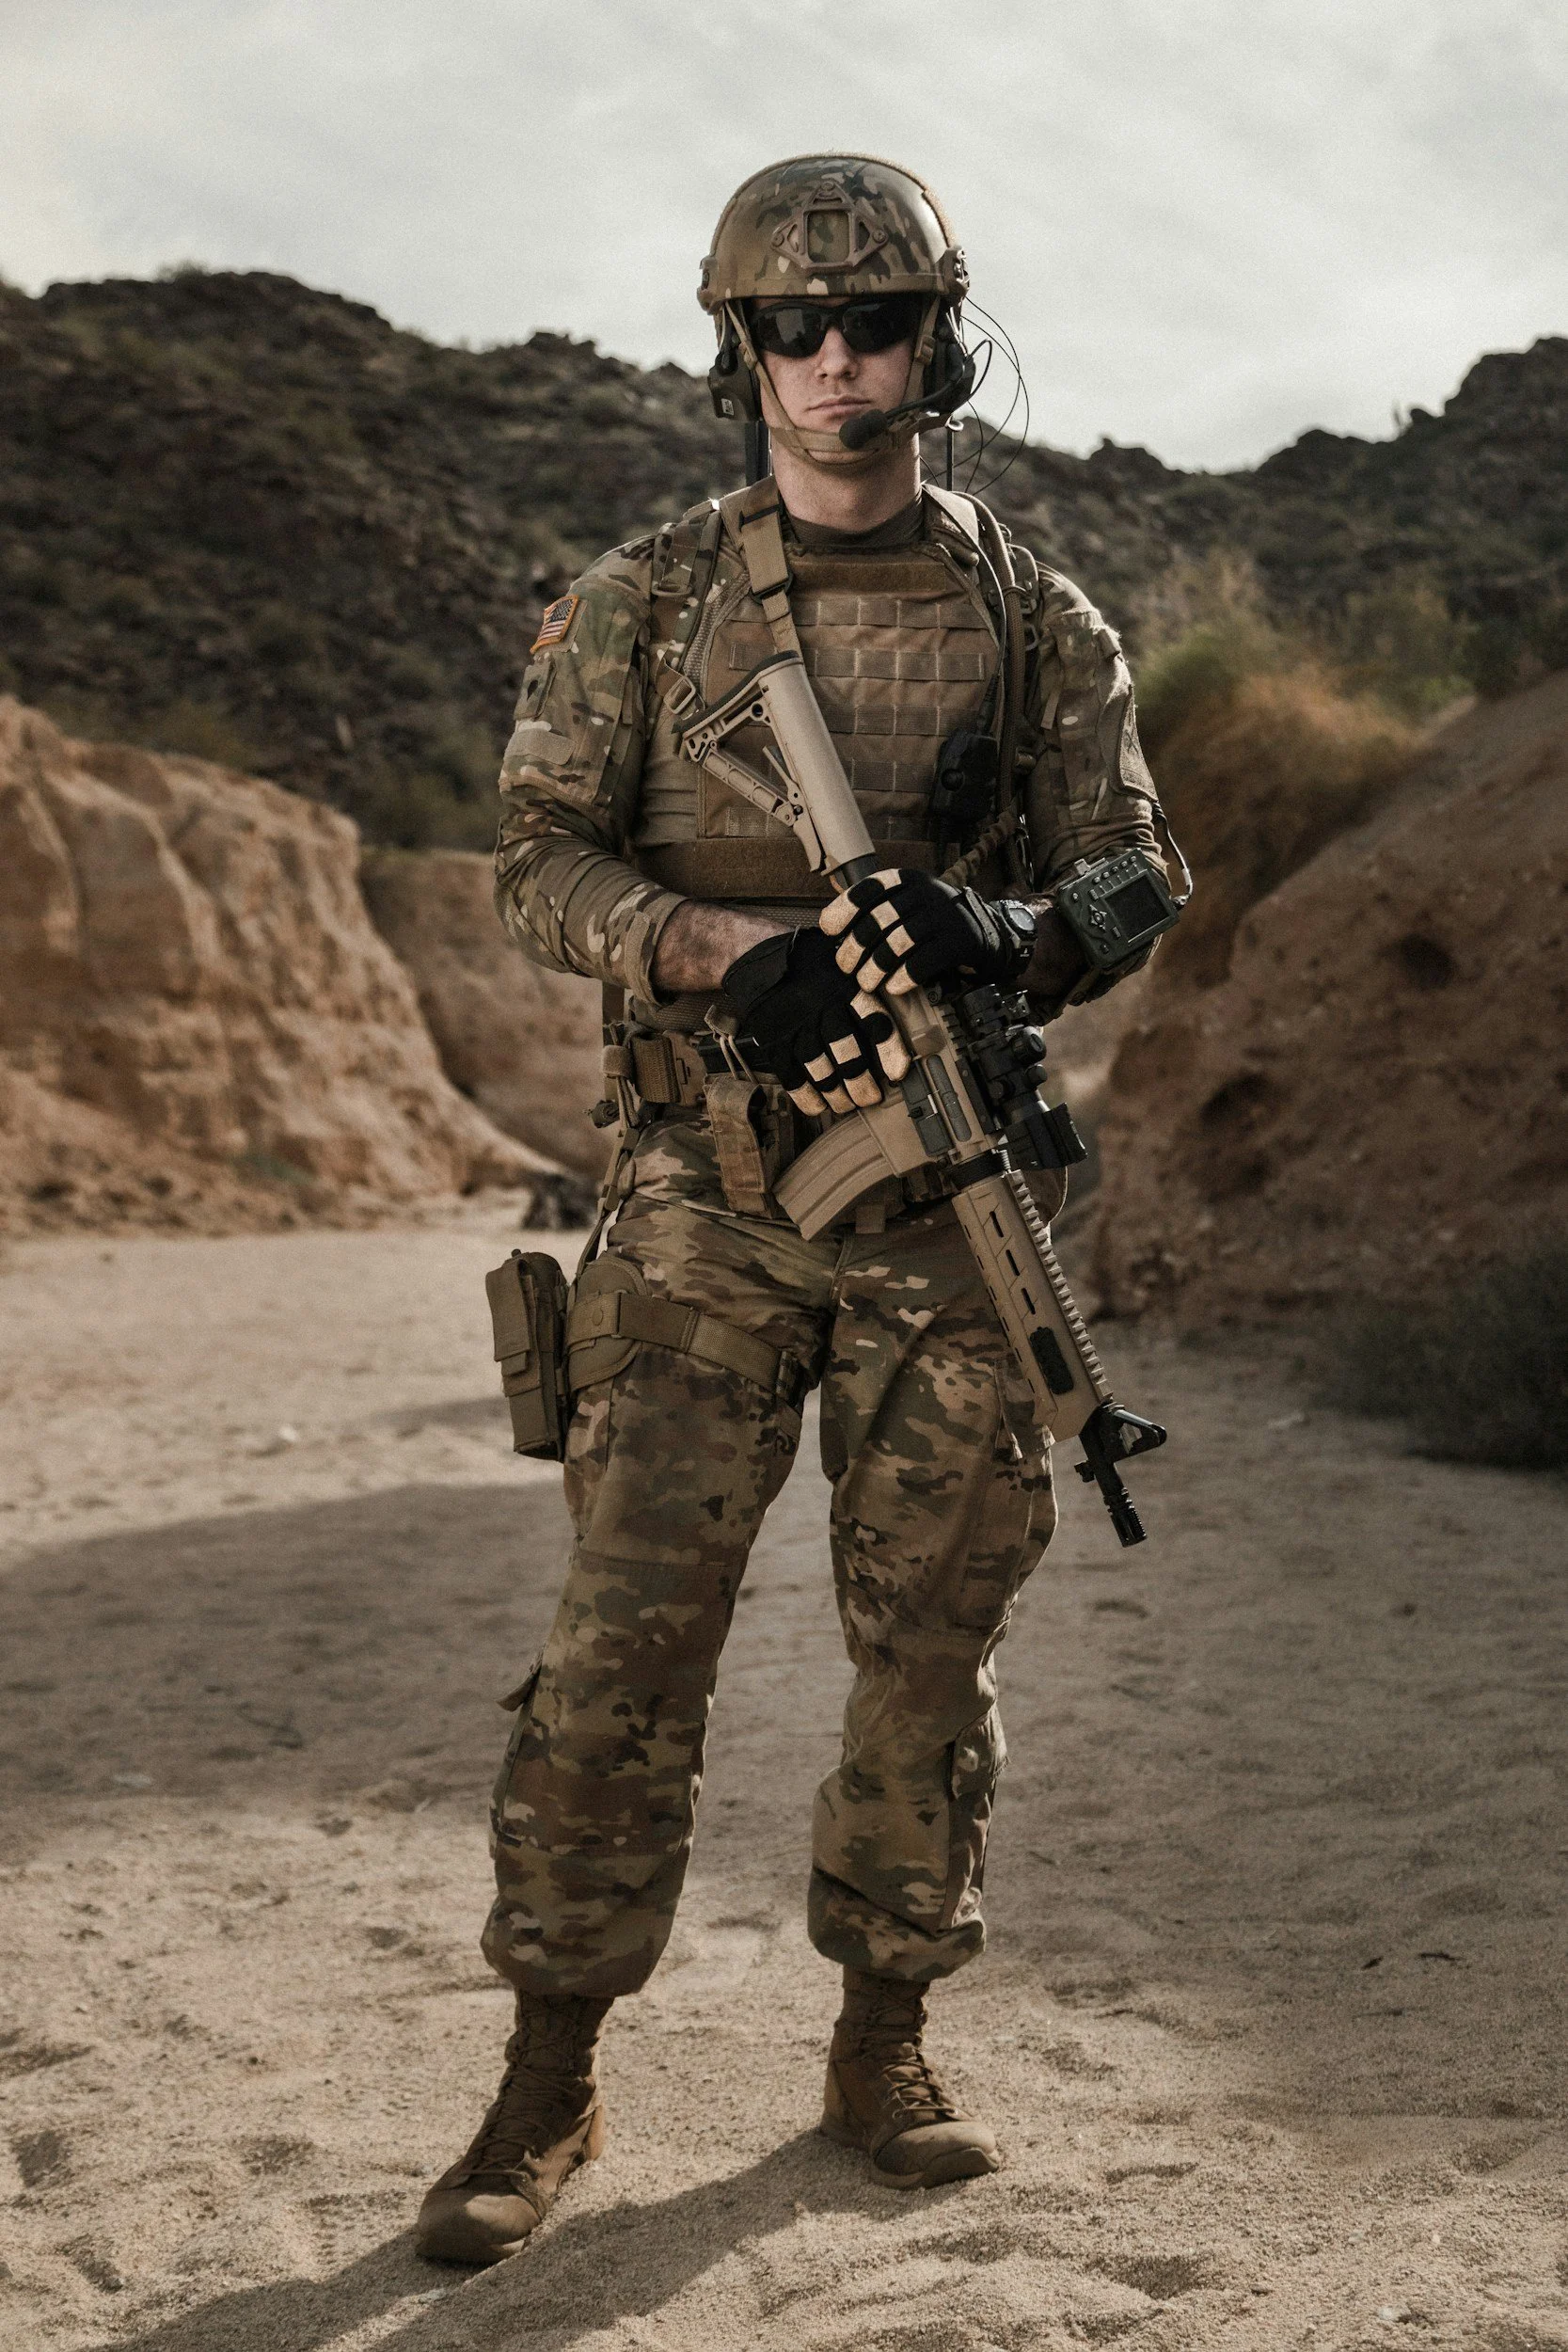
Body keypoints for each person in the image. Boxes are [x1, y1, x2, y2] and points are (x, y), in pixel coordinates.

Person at [416, 153, 1175, 2266]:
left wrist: (999, 933)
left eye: (878, 327)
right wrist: (696, 946)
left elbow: (1139, 872)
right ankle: (544, 2072)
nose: (838, 366)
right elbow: (534, 862)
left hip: (938, 1208)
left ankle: (882, 2036)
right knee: (619, 1649)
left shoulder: (1035, 617)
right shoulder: (652, 602)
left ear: (943, 335)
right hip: (697, 1201)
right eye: (793, 331)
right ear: (734, 348)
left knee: (930, 1646)